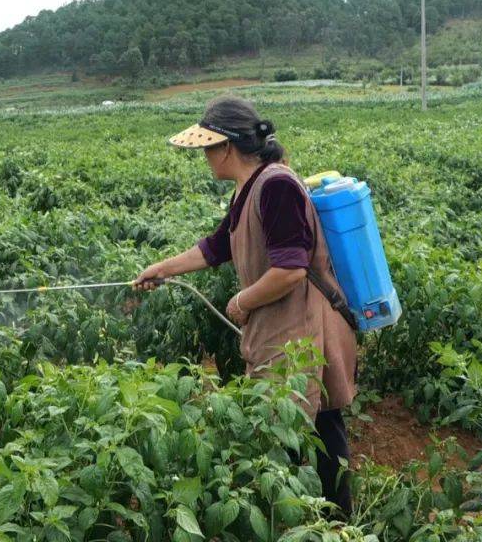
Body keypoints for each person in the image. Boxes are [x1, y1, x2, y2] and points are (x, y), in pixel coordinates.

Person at [133, 95, 357, 517]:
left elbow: (290, 269)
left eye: (207, 148)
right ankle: (326, 518)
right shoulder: (248, 188)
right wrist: (161, 269)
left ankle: (323, 519)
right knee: (317, 425)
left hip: (304, 328)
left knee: (297, 428)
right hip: (287, 326)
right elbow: (216, 247)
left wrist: (242, 300)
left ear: (227, 148)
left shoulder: (276, 186)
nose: (204, 157)